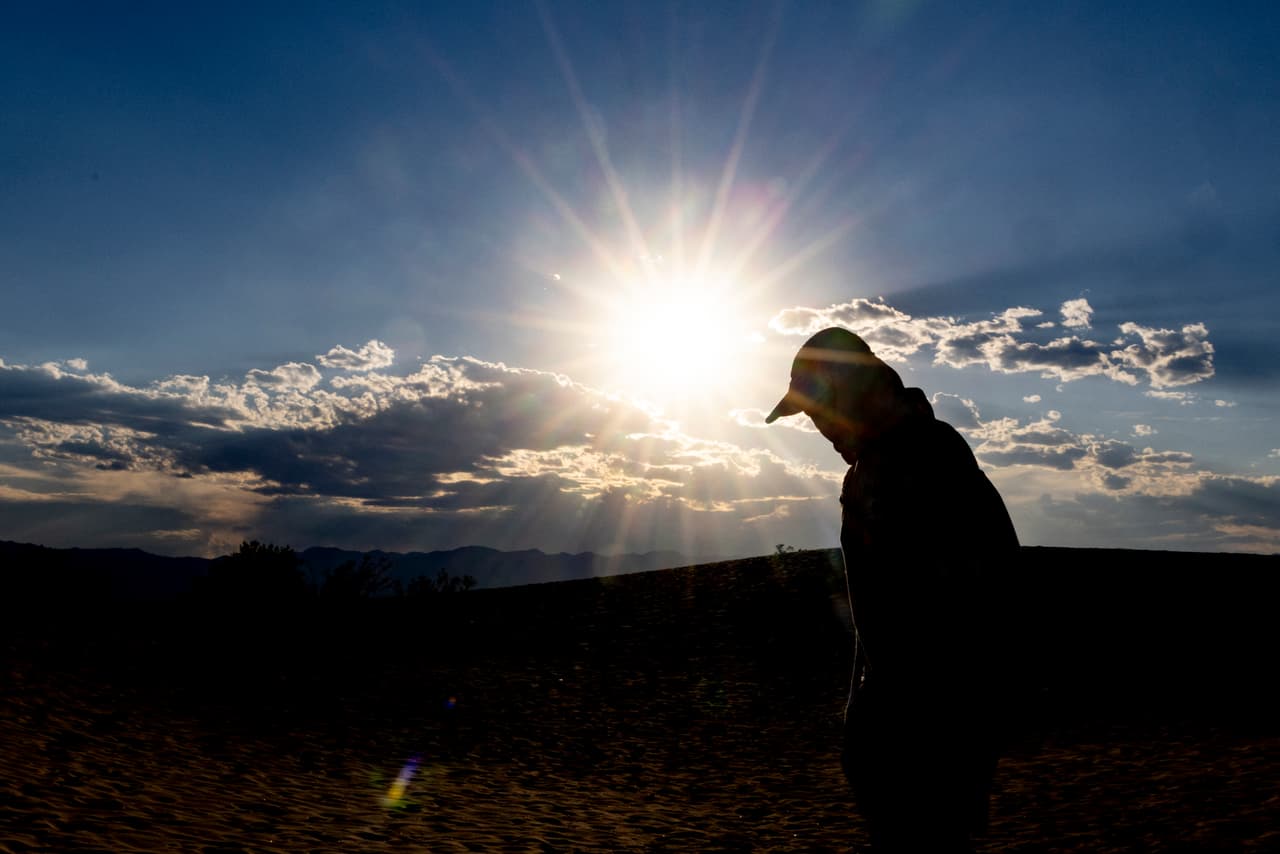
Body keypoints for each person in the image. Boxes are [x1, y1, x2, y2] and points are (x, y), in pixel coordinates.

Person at [765, 326, 1020, 853]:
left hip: (924, 750)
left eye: (819, 411)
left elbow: (953, 623)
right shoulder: (905, 457)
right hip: (925, 744)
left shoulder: (907, 465)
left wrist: (891, 738)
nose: (819, 429)